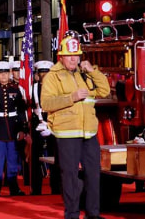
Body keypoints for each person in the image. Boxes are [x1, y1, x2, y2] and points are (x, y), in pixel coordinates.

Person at [42, 36, 111, 219]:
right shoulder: (52, 76)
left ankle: (93, 214)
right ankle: (72, 214)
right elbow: (46, 103)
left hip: (89, 132)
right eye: (69, 56)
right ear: (61, 57)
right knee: (70, 176)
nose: (74, 59)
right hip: (67, 133)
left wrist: (93, 71)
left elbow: (104, 91)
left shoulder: (84, 73)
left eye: (77, 55)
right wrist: (71, 97)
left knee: (93, 174)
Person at [0, 61, 28, 196]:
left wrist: (22, 129)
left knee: (12, 160)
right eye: (0, 73)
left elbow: (20, 111)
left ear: (9, 74)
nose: (3, 76)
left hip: (13, 128)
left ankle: (14, 187)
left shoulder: (15, 90)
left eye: (5, 73)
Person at [30, 59, 61, 195]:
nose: (44, 76)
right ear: (38, 74)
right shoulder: (32, 88)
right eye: (41, 73)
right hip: (37, 123)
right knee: (36, 156)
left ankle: (56, 186)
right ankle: (36, 188)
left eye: (46, 73)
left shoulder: (57, 87)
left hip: (53, 123)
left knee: (55, 156)